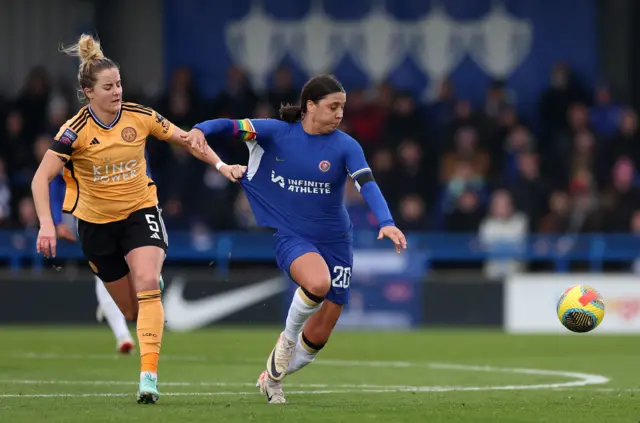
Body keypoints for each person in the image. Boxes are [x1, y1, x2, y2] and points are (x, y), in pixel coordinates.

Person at [31, 33, 245, 404]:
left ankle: (149, 378)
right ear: (88, 92)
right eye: (108, 86)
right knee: (131, 309)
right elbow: (40, 177)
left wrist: (221, 164)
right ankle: (147, 284)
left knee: (147, 283)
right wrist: (47, 224)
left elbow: (186, 140)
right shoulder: (74, 132)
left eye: (119, 84)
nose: (117, 91)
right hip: (96, 227)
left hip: (139, 212)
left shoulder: (140, 116)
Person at [185, 74, 407, 404]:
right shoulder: (275, 133)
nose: (339, 114)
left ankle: (273, 375)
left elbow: (367, 184)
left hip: (336, 241)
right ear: (310, 106)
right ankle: (287, 342)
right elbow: (229, 126)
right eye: (333, 107)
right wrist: (201, 129)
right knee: (317, 283)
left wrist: (387, 222)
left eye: (342, 108)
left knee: (322, 329)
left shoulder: (346, 146)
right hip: (293, 236)